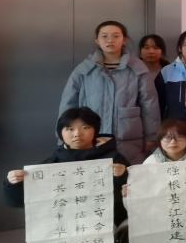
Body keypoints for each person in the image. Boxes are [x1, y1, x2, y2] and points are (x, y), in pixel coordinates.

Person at [2, 106, 129, 243]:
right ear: (61, 132)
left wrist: (122, 177)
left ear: (95, 130)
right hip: (62, 225)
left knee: (102, 231)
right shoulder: (54, 160)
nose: (77, 134)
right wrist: (12, 183)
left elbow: (133, 194)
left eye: (85, 127)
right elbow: (24, 201)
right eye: (70, 129)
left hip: (103, 223)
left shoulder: (113, 157)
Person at [59, 19, 161, 165]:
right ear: (97, 40)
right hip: (89, 139)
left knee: (128, 176)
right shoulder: (84, 70)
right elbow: (68, 105)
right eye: (104, 36)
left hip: (129, 140)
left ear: (124, 40)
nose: (110, 40)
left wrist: (152, 137)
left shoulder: (138, 69)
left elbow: (150, 105)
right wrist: (63, 136)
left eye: (116, 36)